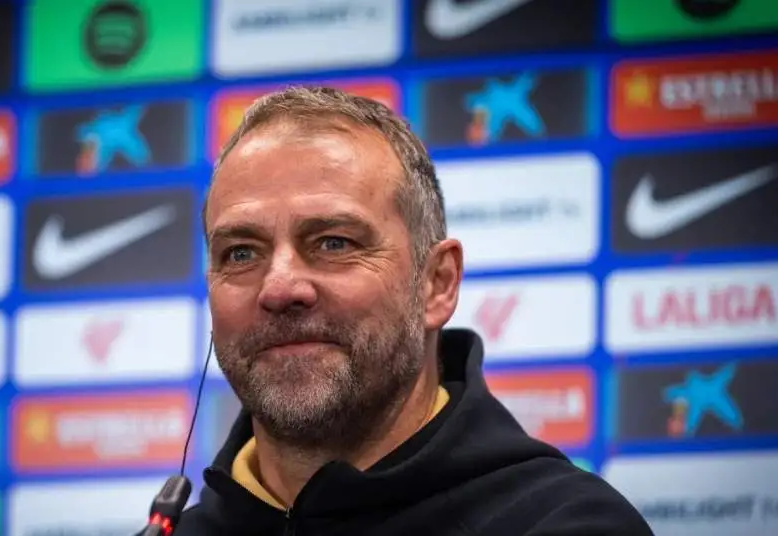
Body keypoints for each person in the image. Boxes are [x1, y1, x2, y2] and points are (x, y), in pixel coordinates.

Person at [179, 86, 654, 535]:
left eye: (333, 242)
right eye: (241, 253)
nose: (280, 287)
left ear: (437, 283)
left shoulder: (566, 524)